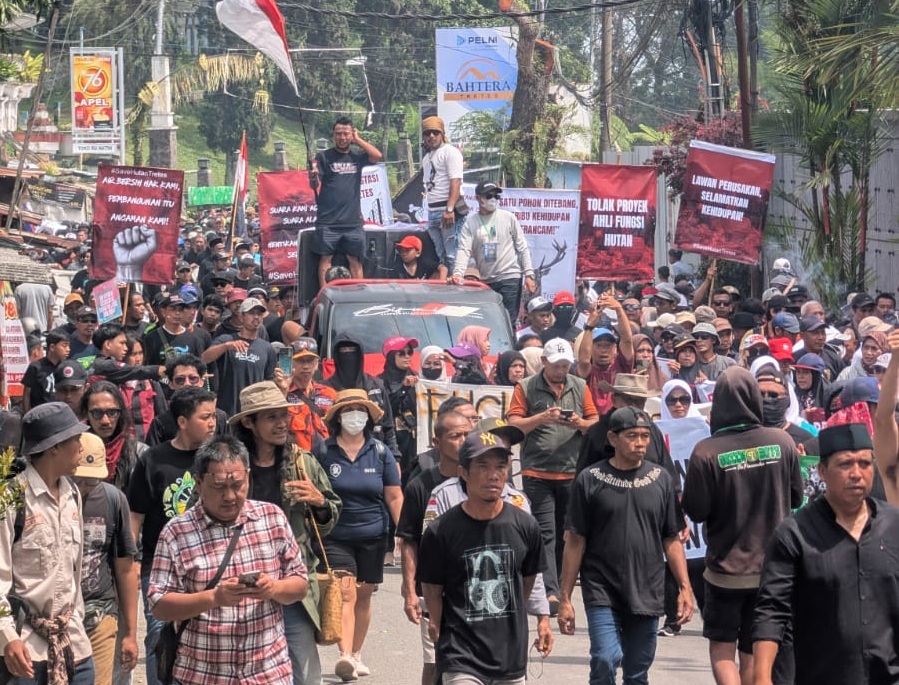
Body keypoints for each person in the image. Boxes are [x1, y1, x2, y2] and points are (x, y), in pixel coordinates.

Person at [147, 435, 309, 685]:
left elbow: (300, 584)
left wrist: (274, 588)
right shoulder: (176, 532)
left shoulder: (272, 518)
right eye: (219, 487)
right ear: (199, 484)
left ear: (248, 477)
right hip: (202, 675)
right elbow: (160, 605)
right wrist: (214, 598)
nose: (230, 496)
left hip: (267, 673)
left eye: (237, 485)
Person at [752, 422, 899, 685]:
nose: (856, 473)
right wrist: (762, 678)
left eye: (865, 464)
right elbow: (772, 612)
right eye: (845, 464)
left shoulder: (894, 526)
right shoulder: (795, 535)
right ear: (821, 471)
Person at [682, 367, 803, 685]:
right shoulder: (782, 442)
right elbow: (796, 497)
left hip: (724, 571)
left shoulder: (706, 451)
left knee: (723, 649)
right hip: (771, 570)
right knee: (754, 651)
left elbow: (696, 511)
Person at [558, 407, 693, 684]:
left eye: (645, 436)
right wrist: (565, 598)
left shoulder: (661, 480)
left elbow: (671, 539)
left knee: (637, 671)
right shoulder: (589, 480)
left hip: (647, 588)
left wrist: (684, 588)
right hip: (601, 588)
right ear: (612, 438)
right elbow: (575, 540)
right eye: (632, 435)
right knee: (605, 659)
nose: (641, 442)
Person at [418, 430, 553, 683]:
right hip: (460, 653)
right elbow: (431, 587)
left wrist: (540, 619)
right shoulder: (441, 531)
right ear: (464, 472)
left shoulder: (525, 525)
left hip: (509, 655)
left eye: (501, 466)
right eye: (482, 466)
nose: (494, 475)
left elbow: (528, 580)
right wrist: (437, 624)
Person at [231, 382, 342, 685]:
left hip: (293, 583)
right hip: (243, 582)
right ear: (249, 422)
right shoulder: (231, 466)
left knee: (305, 673)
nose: (282, 424)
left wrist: (318, 502)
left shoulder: (300, 461)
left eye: (284, 415)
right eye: (271, 417)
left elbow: (332, 512)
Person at [126, 387, 218, 685]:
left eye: (213, 416)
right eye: (205, 417)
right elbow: (136, 515)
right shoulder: (153, 459)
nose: (212, 423)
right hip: (160, 564)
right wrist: (131, 563)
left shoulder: (220, 456)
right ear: (182, 421)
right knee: (160, 634)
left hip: (212, 561)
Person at [0, 402, 95, 684]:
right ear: (54, 446)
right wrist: (7, 637)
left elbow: (74, 574)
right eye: (75, 439)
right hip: (25, 651)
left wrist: (75, 617)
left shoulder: (72, 494)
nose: (81, 447)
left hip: (73, 644)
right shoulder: (11, 498)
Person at [314, 389, 403, 682]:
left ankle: (357, 652)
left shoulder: (380, 452)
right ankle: (345, 656)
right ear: (338, 417)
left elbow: (393, 495)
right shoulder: (324, 451)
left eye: (360, 410)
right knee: (346, 593)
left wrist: (403, 531)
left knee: (364, 595)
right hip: (335, 535)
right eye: (349, 410)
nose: (355, 415)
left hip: (374, 534)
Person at [507, 338, 599, 613]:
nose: (562, 370)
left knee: (568, 533)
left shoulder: (579, 386)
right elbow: (513, 425)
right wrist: (541, 418)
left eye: (565, 365)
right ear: (544, 363)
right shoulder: (525, 387)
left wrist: (579, 423)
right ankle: (551, 591)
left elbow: (594, 422)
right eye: (557, 365)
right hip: (538, 472)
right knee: (546, 532)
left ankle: (563, 585)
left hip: (572, 471)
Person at [397, 410, 471, 685]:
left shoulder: (481, 481)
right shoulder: (420, 486)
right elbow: (409, 540)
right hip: (433, 591)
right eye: (455, 436)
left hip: (473, 589)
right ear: (437, 442)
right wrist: (409, 593)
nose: (463, 441)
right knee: (435, 662)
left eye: (467, 434)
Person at [74, 432, 139, 685]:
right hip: (57, 616)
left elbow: (125, 569)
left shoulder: (112, 499)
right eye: (76, 479)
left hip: (99, 612)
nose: (82, 487)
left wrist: (131, 633)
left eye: (90, 482)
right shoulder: (54, 497)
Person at [310, 117, 383, 287]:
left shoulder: (357, 156)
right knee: (325, 258)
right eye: (338, 134)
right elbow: (314, 184)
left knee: (355, 260)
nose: (342, 137)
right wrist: (313, 176)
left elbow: (377, 155)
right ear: (333, 136)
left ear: (351, 135)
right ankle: (325, 293)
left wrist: (358, 140)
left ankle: (358, 295)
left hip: (352, 221)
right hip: (328, 221)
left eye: (346, 133)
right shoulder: (323, 156)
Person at [451, 181, 536, 323]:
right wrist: (458, 273)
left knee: (508, 320)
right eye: (489, 195)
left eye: (496, 196)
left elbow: (522, 247)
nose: (493, 199)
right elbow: (464, 250)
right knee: (489, 321)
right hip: (486, 280)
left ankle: (510, 345)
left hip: (509, 276)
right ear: (478, 198)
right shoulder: (471, 223)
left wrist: (529, 274)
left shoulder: (508, 218)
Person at [326, 332, 400, 457]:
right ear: (336, 356)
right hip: (336, 457)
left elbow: (388, 426)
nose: (348, 356)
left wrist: (395, 457)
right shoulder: (325, 389)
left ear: (359, 354)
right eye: (344, 351)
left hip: (375, 455)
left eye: (352, 351)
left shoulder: (376, 386)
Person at [203, 297, 276, 416]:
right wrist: (226, 346)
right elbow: (204, 358)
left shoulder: (267, 348)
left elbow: (270, 380)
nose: (256, 317)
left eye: (259, 314)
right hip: (227, 410)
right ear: (241, 317)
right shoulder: (226, 340)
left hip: (254, 411)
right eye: (251, 313)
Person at [144, 354, 229, 446]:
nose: (187, 383)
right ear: (171, 384)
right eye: (180, 380)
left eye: (193, 379)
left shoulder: (220, 417)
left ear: (201, 381)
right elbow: (153, 457)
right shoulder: (161, 423)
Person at [82, 381, 148, 491]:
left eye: (112, 412)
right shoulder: (76, 451)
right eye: (97, 413)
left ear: (120, 413)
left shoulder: (140, 453)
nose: (105, 421)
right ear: (86, 414)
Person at [577, 292, 635, 415]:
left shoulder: (622, 365)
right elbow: (584, 360)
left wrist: (618, 308)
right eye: (599, 345)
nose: (604, 350)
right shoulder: (588, 371)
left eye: (608, 345)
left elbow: (627, 339)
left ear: (615, 349)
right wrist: (589, 326)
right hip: (593, 424)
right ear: (591, 348)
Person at [421, 115, 464, 279]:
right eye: (427, 133)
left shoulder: (450, 152)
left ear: (441, 133)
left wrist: (450, 208)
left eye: (435, 132)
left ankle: (457, 289)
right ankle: (447, 288)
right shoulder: (427, 157)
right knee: (442, 255)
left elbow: (456, 181)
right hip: (433, 211)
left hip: (447, 210)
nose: (431, 136)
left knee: (452, 254)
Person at [281, 338, 337, 452]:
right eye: (300, 361)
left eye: (310, 361)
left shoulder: (329, 393)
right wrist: (283, 390)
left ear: (316, 364)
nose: (306, 366)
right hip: (295, 458)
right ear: (291, 363)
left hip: (325, 458)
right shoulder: (281, 392)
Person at [379, 336, 420, 486]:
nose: (407, 356)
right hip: (393, 442)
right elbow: (385, 409)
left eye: (410, 352)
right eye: (401, 353)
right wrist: (403, 389)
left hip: (416, 444)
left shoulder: (419, 379)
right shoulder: (379, 382)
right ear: (390, 356)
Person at [21, 329, 70, 412]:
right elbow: (27, 394)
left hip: (60, 414)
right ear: (52, 347)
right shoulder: (35, 367)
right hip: (40, 414)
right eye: (64, 346)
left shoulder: (66, 367)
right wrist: (27, 415)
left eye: (69, 346)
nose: (68, 349)